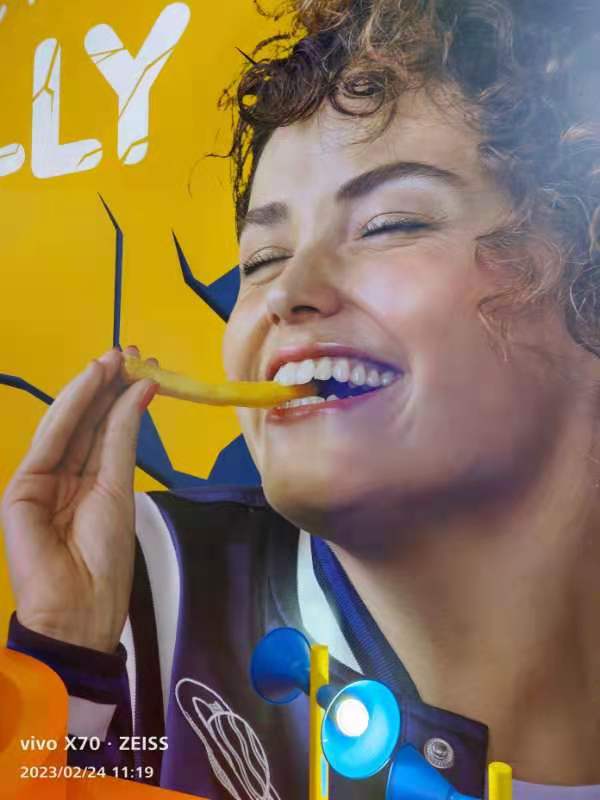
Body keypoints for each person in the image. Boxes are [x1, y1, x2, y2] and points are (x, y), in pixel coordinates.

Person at [3, 0, 600, 797]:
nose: (287, 292)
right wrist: (67, 667)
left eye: (388, 224)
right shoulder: (146, 596)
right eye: (262, 258)